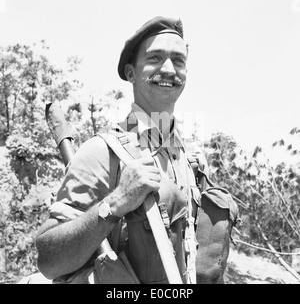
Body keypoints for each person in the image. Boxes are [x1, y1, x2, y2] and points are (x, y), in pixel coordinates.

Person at [35, 16, 238, 284]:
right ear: (131, 73)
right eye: (155, 58)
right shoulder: (102, 151)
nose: (168, 68)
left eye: (179, 60)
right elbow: (49, 261)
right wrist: (116, 202)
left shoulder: (191, 161)